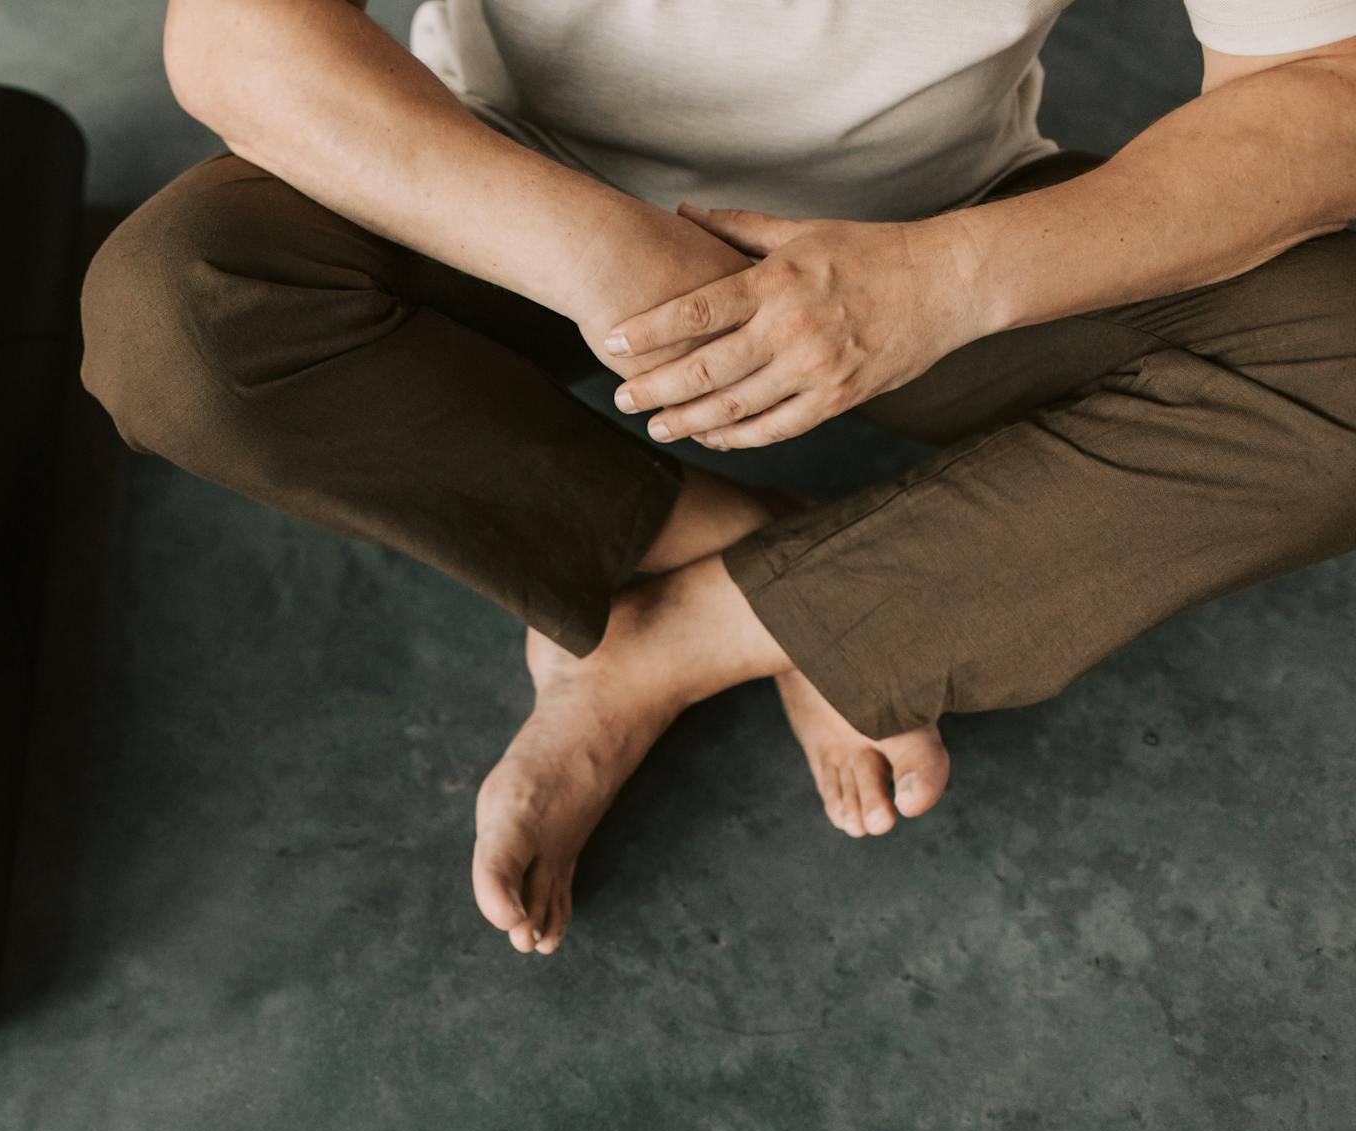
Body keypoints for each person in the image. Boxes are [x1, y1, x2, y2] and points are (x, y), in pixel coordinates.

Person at [79, 0, 1356, 956]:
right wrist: (614, 262)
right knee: (174, 315)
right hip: (501, 185)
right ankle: (763, 555)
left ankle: (687, 632)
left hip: (922, 226)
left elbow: (1321, 88)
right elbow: (239, 34)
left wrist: (942, 280)